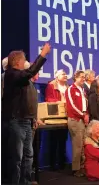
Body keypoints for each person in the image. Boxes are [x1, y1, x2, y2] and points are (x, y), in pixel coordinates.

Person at [2, 43, 51, 185]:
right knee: (16, 157)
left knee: (28, 155)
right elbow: (30, 72)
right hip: (16, 121)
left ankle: (26, 181)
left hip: (26, 121)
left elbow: (29, 102)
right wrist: (43, 55)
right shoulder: (11, 75)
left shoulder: (23, 79)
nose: (25, 63)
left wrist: (33, 118)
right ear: (17, 62)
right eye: (23, 60)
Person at [65, 70, 89, 177]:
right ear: (76, 77)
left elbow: (85, 105)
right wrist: (83, 115)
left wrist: (86, 114)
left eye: (84, 77)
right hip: (75, 119)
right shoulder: (70, 89)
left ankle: (82, 167)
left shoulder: (82, 90)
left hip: (82, 120)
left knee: (83, 145)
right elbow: (72, 106)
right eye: (82, 77)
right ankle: (76, 169)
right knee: (77, 145)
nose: (83, 79)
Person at [45, 69, 69, 170]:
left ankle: (62, 164)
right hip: (54, 117)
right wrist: (60, 102)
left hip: (65, 116)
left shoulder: (68, 87)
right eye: (63, 74)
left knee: (63, 140)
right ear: (57, 76)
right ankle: (52, 165)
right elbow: (48, 99)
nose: (65, 75)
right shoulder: (51, 85)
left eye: (65, 74)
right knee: (53, 141)